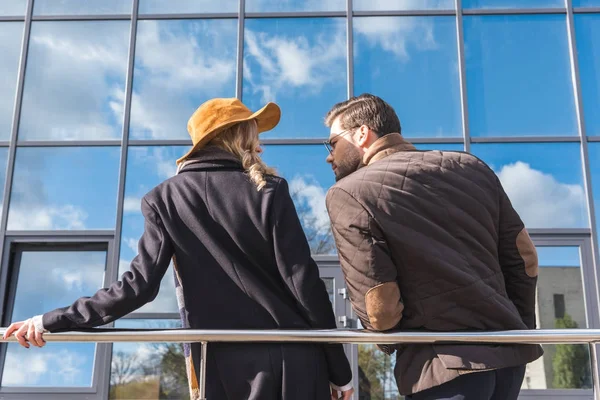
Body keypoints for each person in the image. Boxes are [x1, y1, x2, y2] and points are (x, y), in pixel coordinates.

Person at [4, 98, 353, 400]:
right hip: (295, 362)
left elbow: (135, 288)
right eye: (254, 134)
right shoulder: (269, 189)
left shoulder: (165, 199)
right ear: (234, 136)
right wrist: (339, 368)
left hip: (221, 368)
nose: (260, 145)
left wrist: (50, 320)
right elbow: (303, 282)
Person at [322, 93, 543, 400]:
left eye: (331, 143)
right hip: (508, 362)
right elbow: (525, 258)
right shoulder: (472, 167)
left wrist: (389, 341)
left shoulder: (349, 193)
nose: (328, 156)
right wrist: (516, 327)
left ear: (362, 133)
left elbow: (380, 308)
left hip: (440, 368)